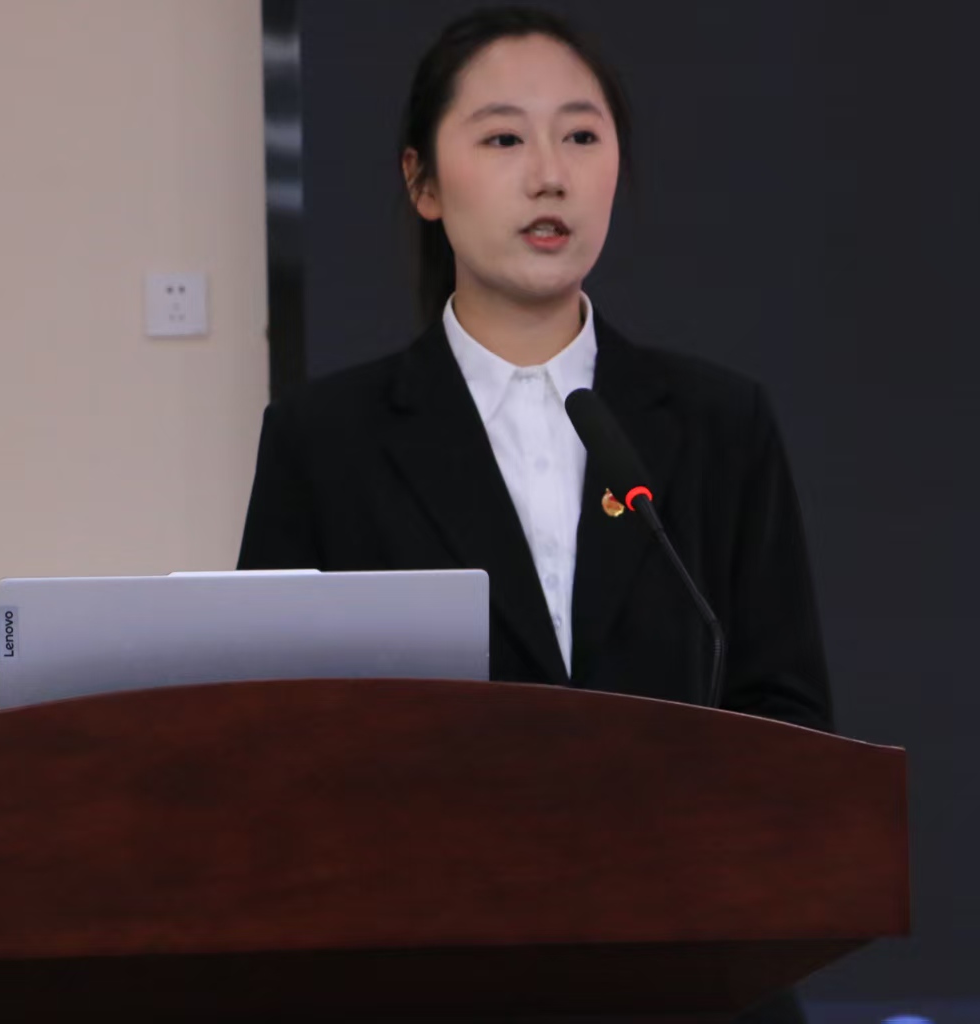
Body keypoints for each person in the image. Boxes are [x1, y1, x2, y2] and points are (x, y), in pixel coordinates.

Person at [238, 8, 831, 1022]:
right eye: (505, 137)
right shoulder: (323, 439)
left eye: (582, 136)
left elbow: (788, 715)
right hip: (427, 979)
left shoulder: (718, 422)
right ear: (424, 183)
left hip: (687, 976)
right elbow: (271, 742)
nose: (550, 175)